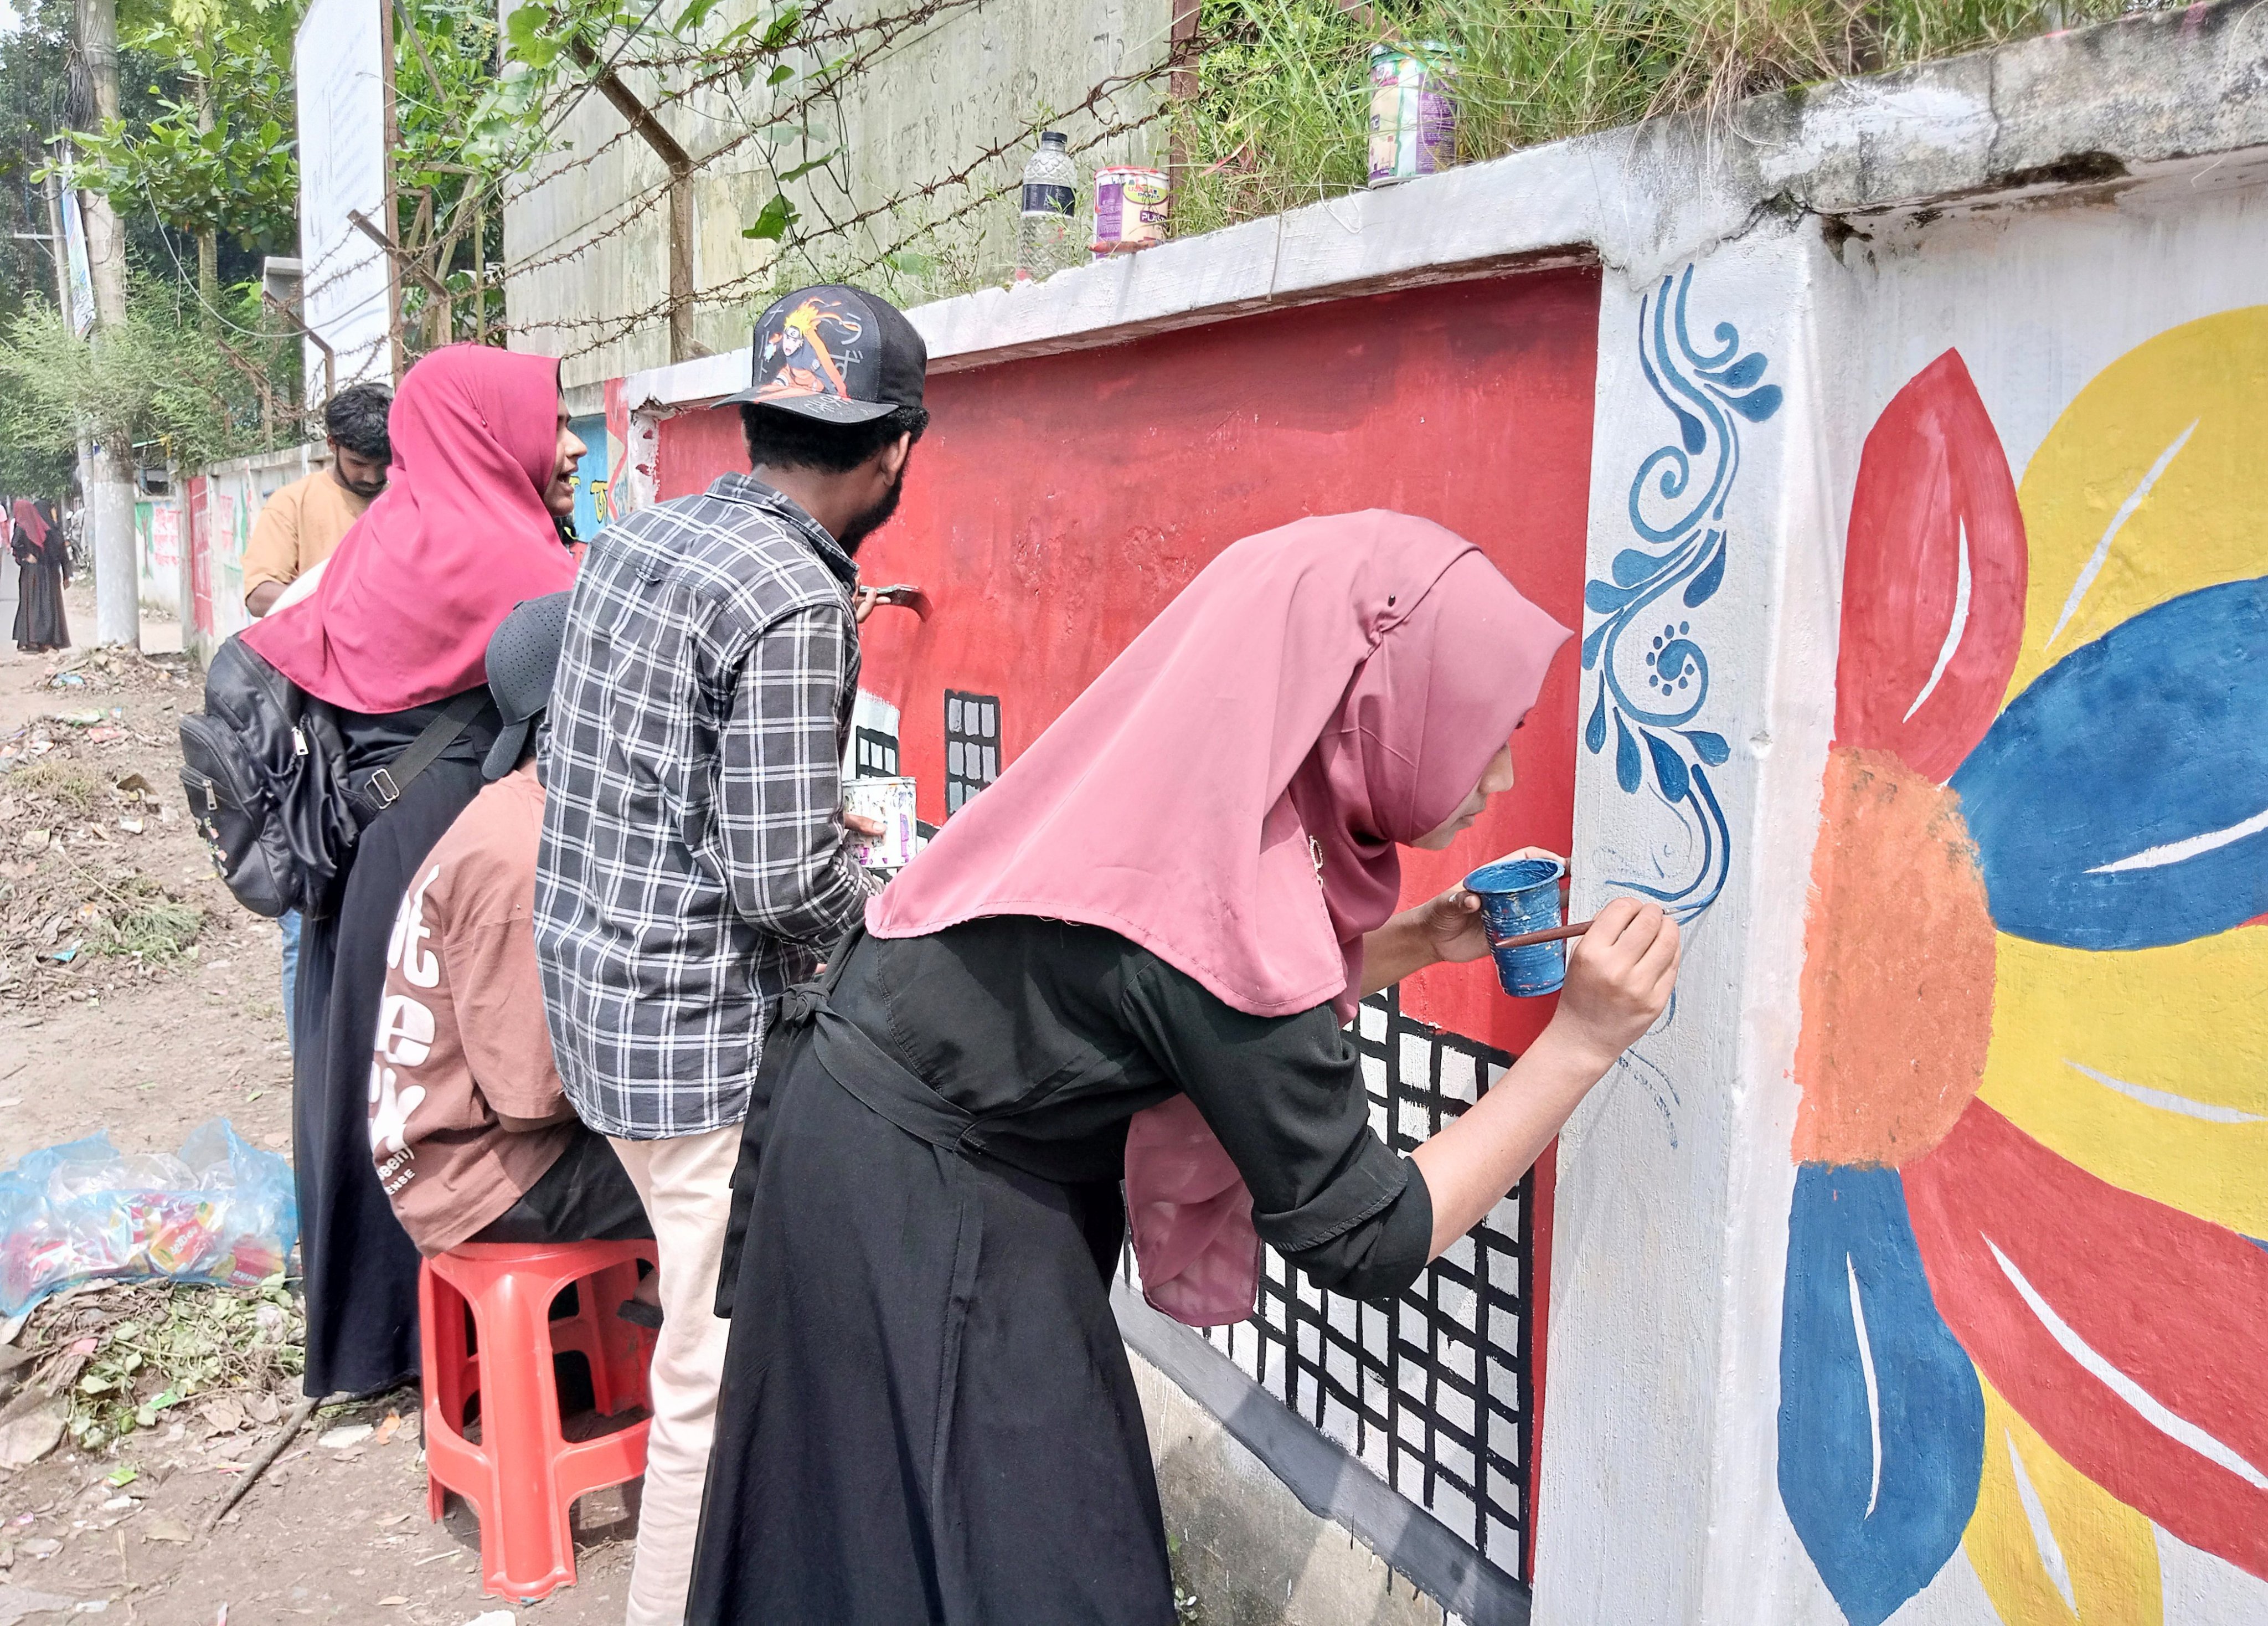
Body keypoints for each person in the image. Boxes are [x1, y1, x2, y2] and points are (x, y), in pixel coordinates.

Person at [684, 511, 1683, 1625]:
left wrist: (1401, 941)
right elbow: (1365, 1234)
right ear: (1366, 703)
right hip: (916, 1204)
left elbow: (1157, 993)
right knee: (1029, 1565)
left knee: (911, 1545)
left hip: (872, 1132)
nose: (1497, 771)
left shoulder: (1167, 773)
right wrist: (1582, 1043)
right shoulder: (1231, 903)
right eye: (1477, 729)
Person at [534, 282, 926, 1626]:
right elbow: (778, 882)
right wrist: (878, 893)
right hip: (695, 1047)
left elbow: (629, 772)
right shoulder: (799, 601)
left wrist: (810, 828)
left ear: (758, 422)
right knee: (713, 1370)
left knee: (706, 1336)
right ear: (897, 451)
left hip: (593, 1009)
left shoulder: (634, 543)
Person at [244, 344, 584, 1399]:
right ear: (489, 436)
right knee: (479, 1078)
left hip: (364, 839)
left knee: (370, 1074)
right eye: (549, 420)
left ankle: (374, 1345)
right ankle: (498, 1355)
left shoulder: (383, 535)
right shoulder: (516, 561)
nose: (567, 442)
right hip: (460, 832)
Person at [369, 592, 651, 1258]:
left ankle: (664, 1315)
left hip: (474, 1151)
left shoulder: (523, 809)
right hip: (481, 1178)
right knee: (754, 1159)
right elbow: (527, 1101)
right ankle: (678, 1331)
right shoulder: (525, 856)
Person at [242, 383, 394, 619]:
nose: (372, 478)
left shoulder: (407, 501)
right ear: (332, 444)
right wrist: (343, 602)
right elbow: (259, 597)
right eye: (358, 464)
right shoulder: (292, 503)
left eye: (384, 464)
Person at [11, 497, 68, 653]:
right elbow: (59, 551)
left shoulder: (24, 527)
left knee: (30, 606)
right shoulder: (45, 528)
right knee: (43, 606)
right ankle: (43, 640)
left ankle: (31, 640)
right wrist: (65, 574)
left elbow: (15, 544)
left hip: (30, 573)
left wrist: (25, 557)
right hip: (46, 572)